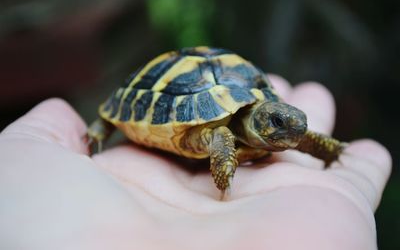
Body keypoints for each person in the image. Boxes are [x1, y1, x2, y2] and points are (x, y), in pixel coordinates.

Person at [0, 75, 391, 250]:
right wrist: (224, 172)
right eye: (276, 123)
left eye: (293, 127)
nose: (288, 134)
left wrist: (331, 150)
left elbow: (297, 134)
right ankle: (103, 123)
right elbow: (222, 135)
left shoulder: (276, 126)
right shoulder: (219, 132)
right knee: (221, 135)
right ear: (257, 116)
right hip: (179, 89)